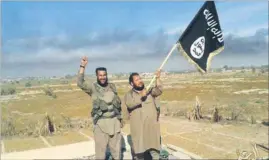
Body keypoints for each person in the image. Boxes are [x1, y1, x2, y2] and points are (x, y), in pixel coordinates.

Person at [77, 56, 123, 159]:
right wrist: (82, 66)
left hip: (115, 123)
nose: (102, 77)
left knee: (117, 154)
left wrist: (120, 120)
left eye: (104, 75)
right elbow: (80, 83)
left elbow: (118, 105)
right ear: (97, 76)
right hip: (101, 125)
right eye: (100, 75)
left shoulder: (112, 86)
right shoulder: (92, 87)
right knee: (100, 154)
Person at [124, 70, 163, 160]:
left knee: (155, 152)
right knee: (139, 153)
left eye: (140, 78)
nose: (140, 80)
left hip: (151, 128)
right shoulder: (129, 94)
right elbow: (130, 104)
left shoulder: (149, 91)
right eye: (137, 80)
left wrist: (157, 78)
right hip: (139, 130)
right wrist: (141, 96)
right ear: (132, 83)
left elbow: (159, 90)